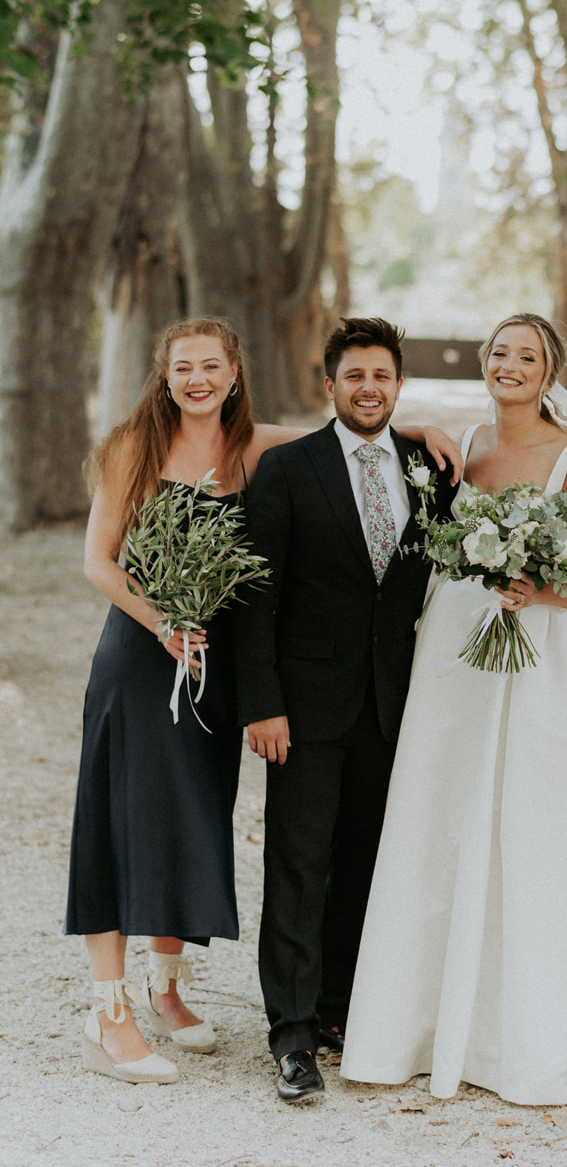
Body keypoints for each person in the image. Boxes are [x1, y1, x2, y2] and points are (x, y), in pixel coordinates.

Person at [340, 313, 567, 1106]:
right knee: (441, 817)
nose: (510, 365)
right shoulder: (464, 446)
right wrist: (417, 427)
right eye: (501, 353)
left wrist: (537, 587)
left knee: (536, 828)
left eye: (527, 356)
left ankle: (532, 1025)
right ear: (484, 363)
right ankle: (422, 1018)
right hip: (456, 655)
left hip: (547, 661)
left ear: (550, 373)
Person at [66, 318, 307, 1085]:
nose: (196, 379)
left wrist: (425, 429)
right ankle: (109, 1016)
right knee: (117, 824)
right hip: (141, 660)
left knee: (191, 817)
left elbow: (346, 437)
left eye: (210, 366)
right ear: (164, 375)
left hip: (213, 671)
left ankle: (166, 988)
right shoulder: (130, 447)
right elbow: (98, 563)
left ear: (234, 373)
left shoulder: (254, 449)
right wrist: (162, 623)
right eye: (182, 368)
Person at [233, 316, 458, 1104]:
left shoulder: (428, 469)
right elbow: (254, 596)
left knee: (366, 863)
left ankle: (339, 1008)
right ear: (328, 384)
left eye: (381, 376)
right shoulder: (287, 468)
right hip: (303, 707)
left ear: (398, 386)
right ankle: (291, 1035)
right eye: (354, 376)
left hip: (395, 707)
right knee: (298, 865)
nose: (368, 389)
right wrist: (262, 703)